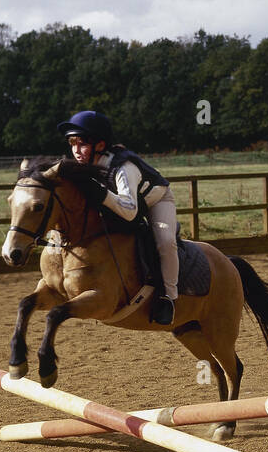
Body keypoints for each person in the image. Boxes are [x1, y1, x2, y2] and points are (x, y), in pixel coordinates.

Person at [55, 110, 179, 325]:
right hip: (126, 204)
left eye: (82, 143)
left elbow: (129, 211)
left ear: (100, 145)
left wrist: (101, 194)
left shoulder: (124, 168)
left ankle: (169, 297)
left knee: (166, 242)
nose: (76, 150)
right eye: (72, 143)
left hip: (156, 200)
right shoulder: (84, 164)